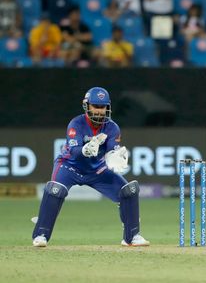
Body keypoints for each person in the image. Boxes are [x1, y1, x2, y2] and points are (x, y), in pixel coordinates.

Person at [32, 87, 150, 247]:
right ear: (87, 106)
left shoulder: (112, 128)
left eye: (103, 107)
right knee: (55, 190)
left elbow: (111, 152)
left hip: (97, 170)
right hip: (69, 166)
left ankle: (132, 236)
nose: (100, 111)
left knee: (129, 191)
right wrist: (84, 149)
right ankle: (41, 235)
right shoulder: (76, 123)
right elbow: (73, 152)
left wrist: (116, 158)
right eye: (96, 106)